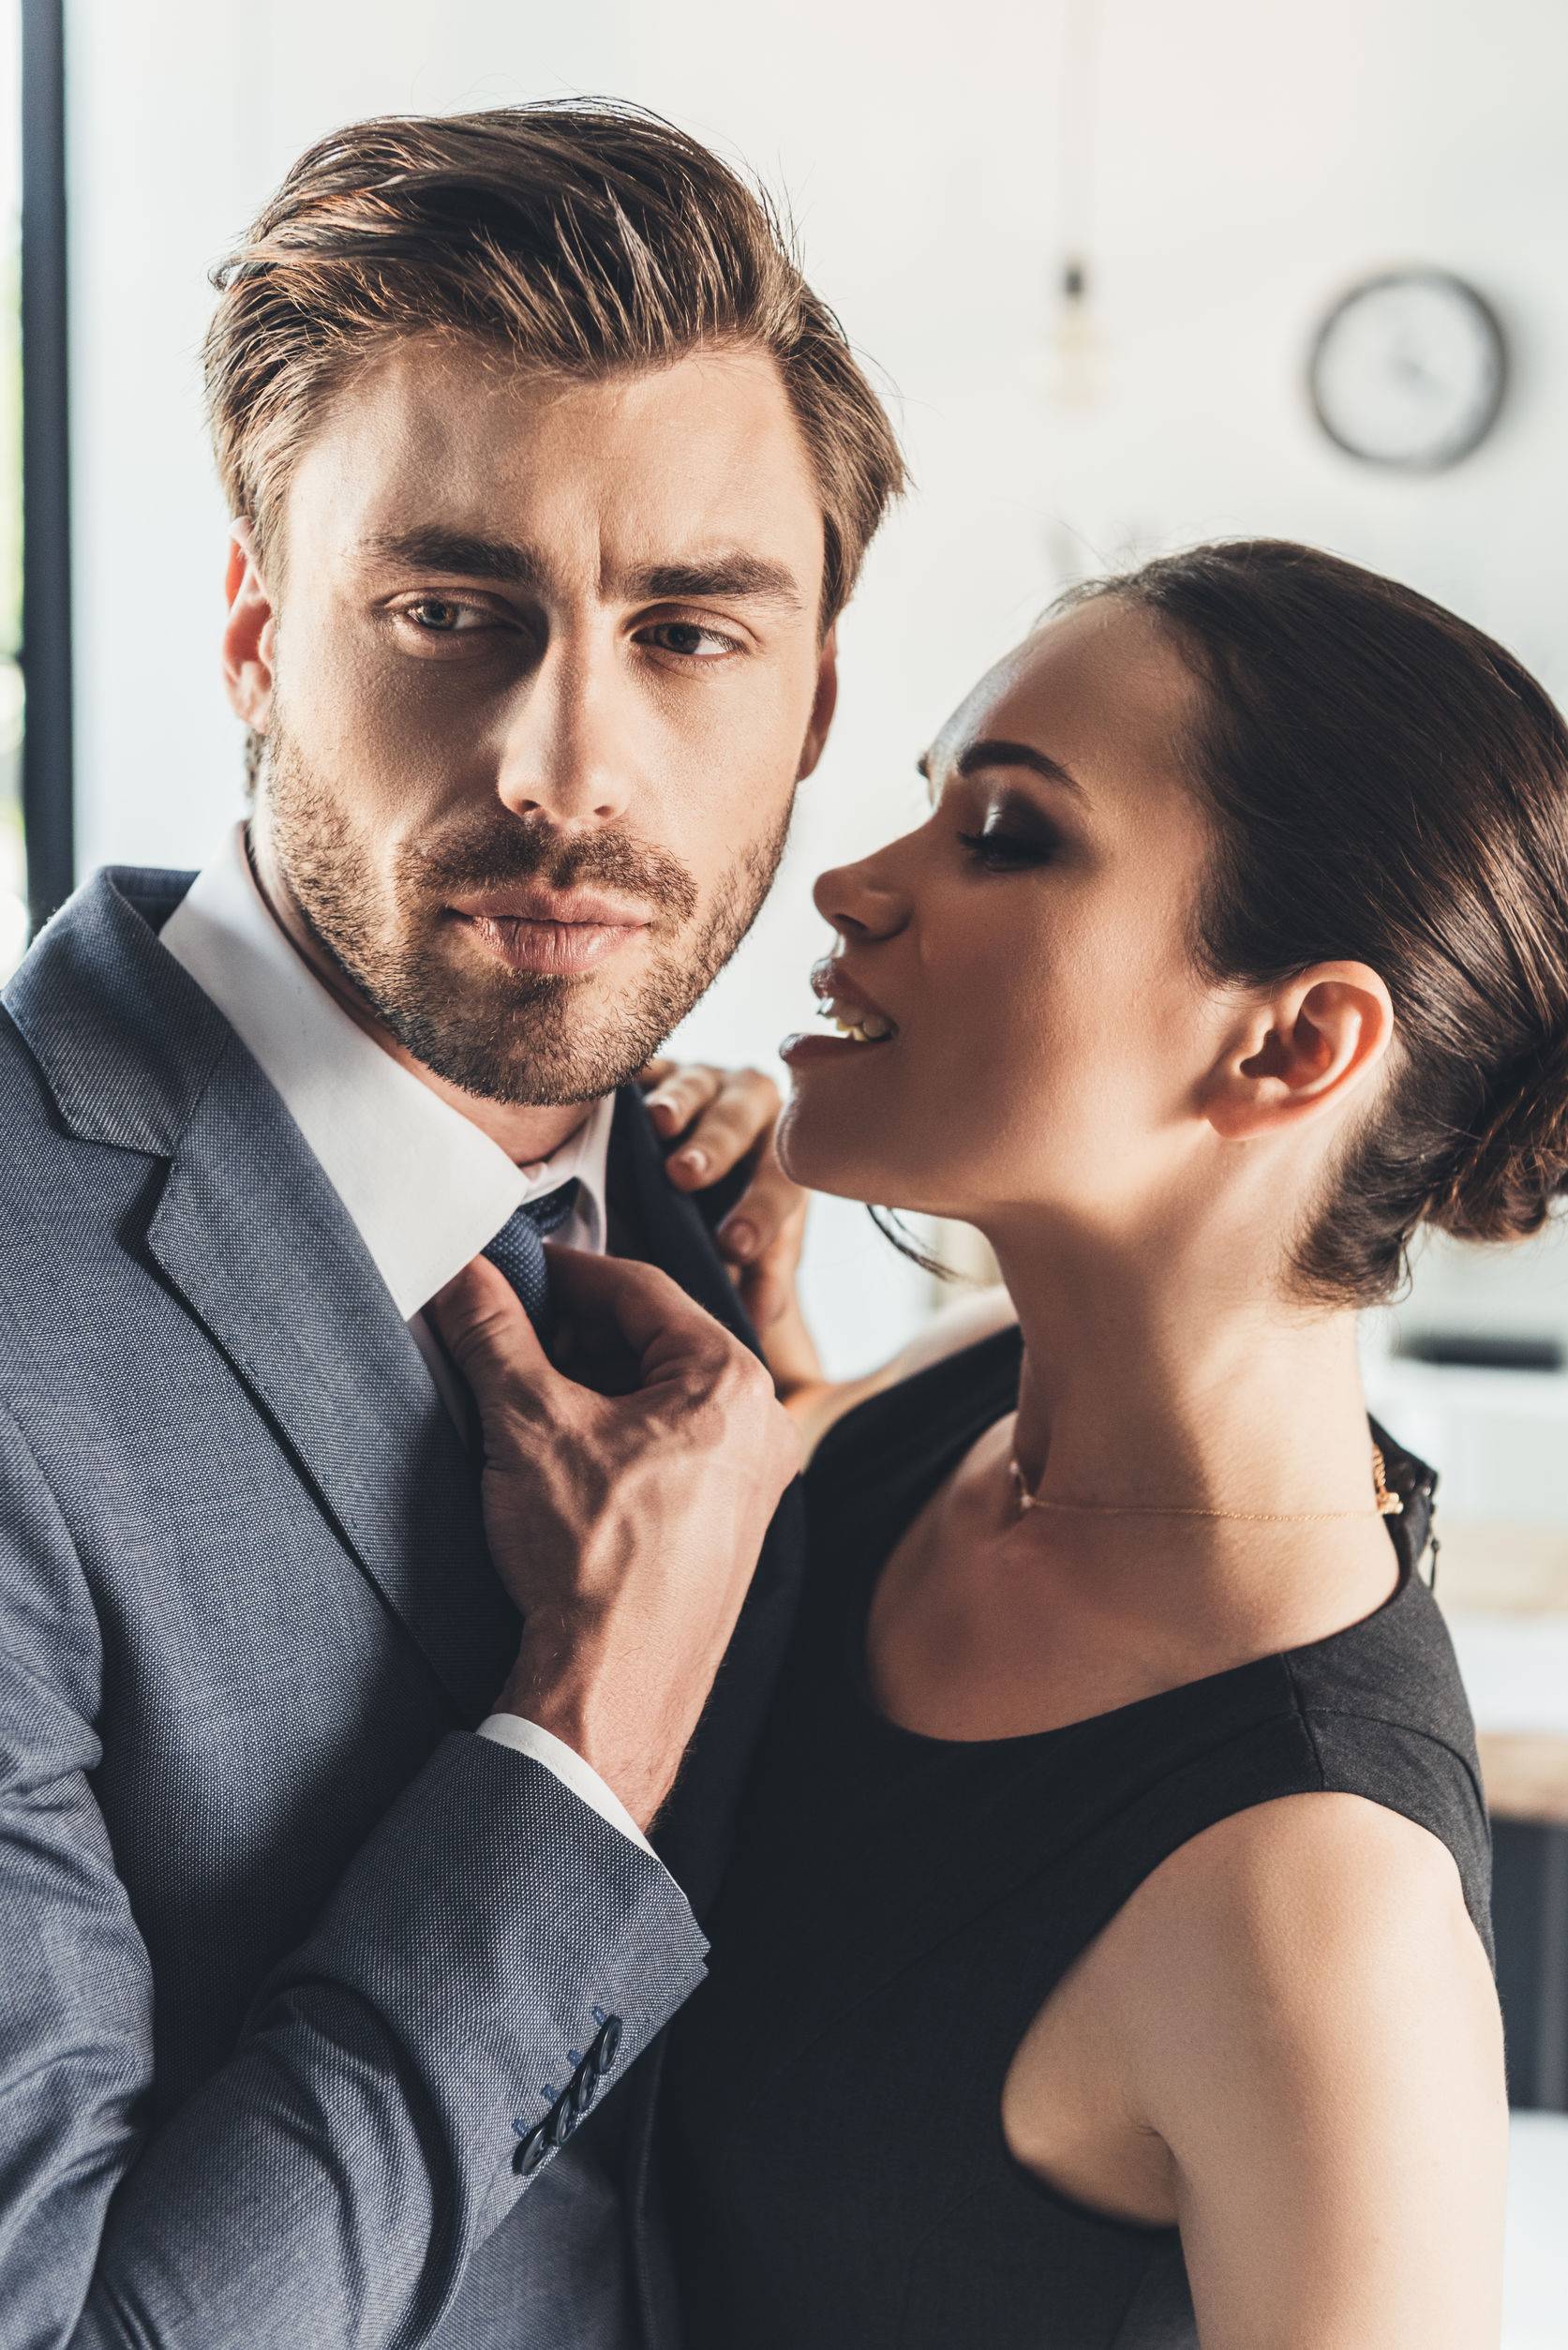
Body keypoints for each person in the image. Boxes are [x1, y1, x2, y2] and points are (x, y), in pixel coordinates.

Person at [0, 102, 902, 2348]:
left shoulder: (698, 1239)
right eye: (447, 609)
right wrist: (581, 1733)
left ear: (810, 709)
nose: (562, 765)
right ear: (251, 624)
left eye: (689, 630)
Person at [451, 542, 1551, 2346]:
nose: (850, 886)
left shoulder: (1320, 1919)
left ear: (1291, 1043)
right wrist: (740, 1327)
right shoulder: (961, 1404)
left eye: (1008, 836)